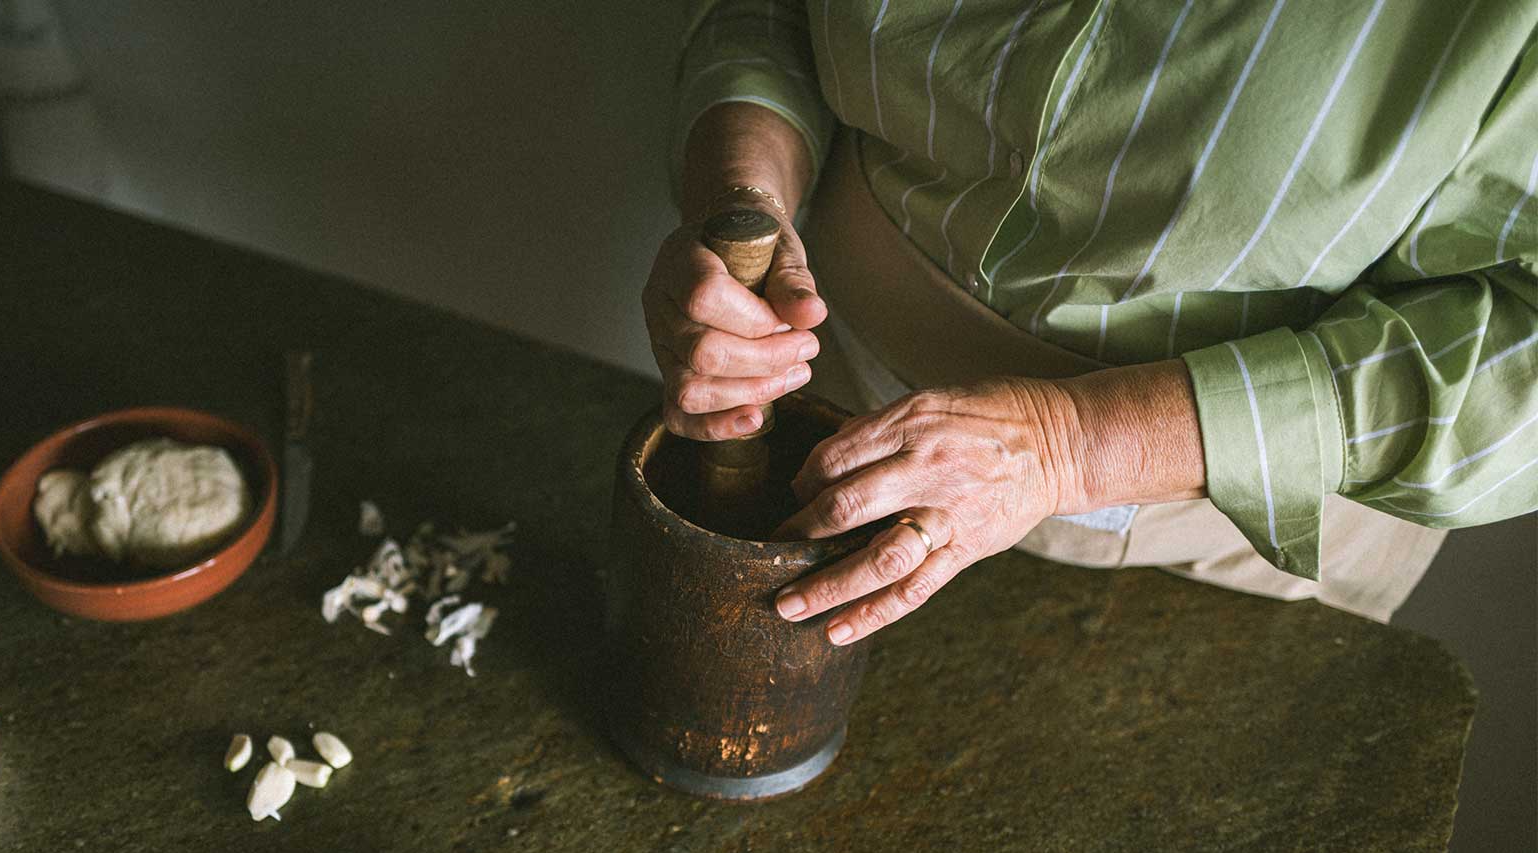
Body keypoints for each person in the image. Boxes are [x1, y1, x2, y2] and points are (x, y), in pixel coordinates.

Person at [644, 1, 1538, 645]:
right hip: (824, 394)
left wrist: (1070, 443)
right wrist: (740, 193)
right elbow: (770, 14)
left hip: (1224, 548)